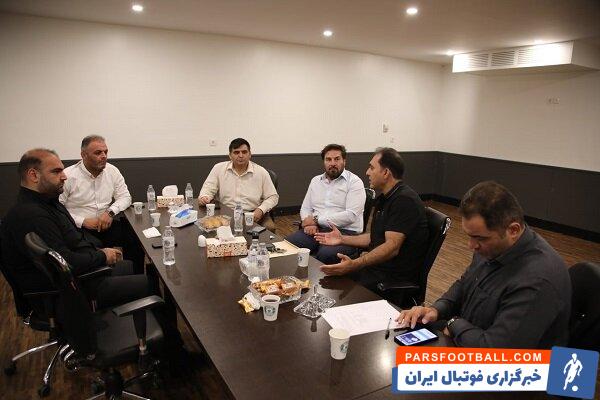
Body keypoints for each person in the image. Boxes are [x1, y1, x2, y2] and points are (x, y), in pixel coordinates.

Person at [396, 181, 571, 349]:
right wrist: (435, 310)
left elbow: (496, 352)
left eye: (480, 238)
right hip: (473, 334)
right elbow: (464, 284)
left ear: (513, 230)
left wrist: (454, 323)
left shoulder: (538, 280)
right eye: (470, 236)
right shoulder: (492, 248)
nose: (471, 245)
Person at [1, 148, 148, 308]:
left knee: (129, 265)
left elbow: (71, 243)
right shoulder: (32, 216)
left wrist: (99, 252)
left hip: (80, 272)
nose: (64, 176)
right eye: (56, 171)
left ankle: (132, 314)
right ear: (33, 175)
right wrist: (102, 256)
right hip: (74, 289)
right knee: (150, 282)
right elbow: (65, 262)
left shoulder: (48, 201)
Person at [315, 148, 429, 293]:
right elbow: (375, 237)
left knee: (332, 287)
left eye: (372, 168)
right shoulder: (386, 198)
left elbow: (392, 248)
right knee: (327, 282)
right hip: (377, 270)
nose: (367, 172)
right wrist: (342, 239)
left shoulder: (404, 201)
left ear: (386, 173)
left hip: (390, 279)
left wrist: (355, 264)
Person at [59, 135, 143, 272]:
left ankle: (135, 275)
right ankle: (103, 277)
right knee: (94, 245)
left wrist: (110, 213)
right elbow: (58, 209)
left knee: (134, 237)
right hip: (79, 228)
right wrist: (83, 221)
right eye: (98, 153)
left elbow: (125, 197)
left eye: (105, 152)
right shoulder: (68, 175)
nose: (104, 156)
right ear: (83, 155)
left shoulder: (112, 170)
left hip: (105, 223)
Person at [287, 144, 365, 264]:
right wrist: (308, 224)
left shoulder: (354, 182)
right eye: (328, 159)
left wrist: (317, 220)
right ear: (324, 162)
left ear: (344, 161)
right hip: (317, 229)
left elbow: (351, 215)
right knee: (288, 245)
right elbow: (306, 208)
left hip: (345, 233)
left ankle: (315, 277)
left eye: (337, 159)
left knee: (326, 255)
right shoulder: (315, 181)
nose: (332, 163)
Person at [198, 138, 279, 231]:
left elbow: (273, 197)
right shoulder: (218, 168)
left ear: (250, 154)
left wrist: (261, 210)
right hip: (225, 213)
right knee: (207, 229)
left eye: (244, 152)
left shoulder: (261, 172)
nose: (241, 155)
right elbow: (208, 189)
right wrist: (204, 197)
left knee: (269, 228)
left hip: (252, 214)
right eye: (236, 152)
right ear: (230, 155)